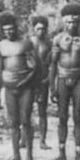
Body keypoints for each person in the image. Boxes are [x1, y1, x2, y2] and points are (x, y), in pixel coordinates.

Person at [47, 3, 80, 160]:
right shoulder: (58, 39)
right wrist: (52, 86)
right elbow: (53, 64)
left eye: (75, 22)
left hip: (79, 79)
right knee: (62, 117)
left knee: (78, 117)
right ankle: (61, 152)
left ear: (79, 22)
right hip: (63, 79)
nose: (72, 25)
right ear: (64, 22)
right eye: (69, 22)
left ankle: (78, 153)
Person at [0, 12, 37, 160]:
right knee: (13, 122)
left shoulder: (26, 43)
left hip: (25, 87)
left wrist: (25, 81)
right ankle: (16, 156)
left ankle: (30, 156)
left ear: (16, 28)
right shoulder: (0, 46)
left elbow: (35, 67)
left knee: (26, 120)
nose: (9, 32)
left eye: (11, 29)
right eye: (5, 30)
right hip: (9, 87)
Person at [29, 15, 53, 150]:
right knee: (26, 110)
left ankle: (42, 140)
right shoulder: (29, 42)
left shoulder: (49, 43)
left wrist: (48, 78)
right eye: (38, 29)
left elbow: (51, 63)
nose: (40, 31)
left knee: (42, 111)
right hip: (30, 80)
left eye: (43, 29)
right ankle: (25, 139)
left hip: (43, 80)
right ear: (34, 29)